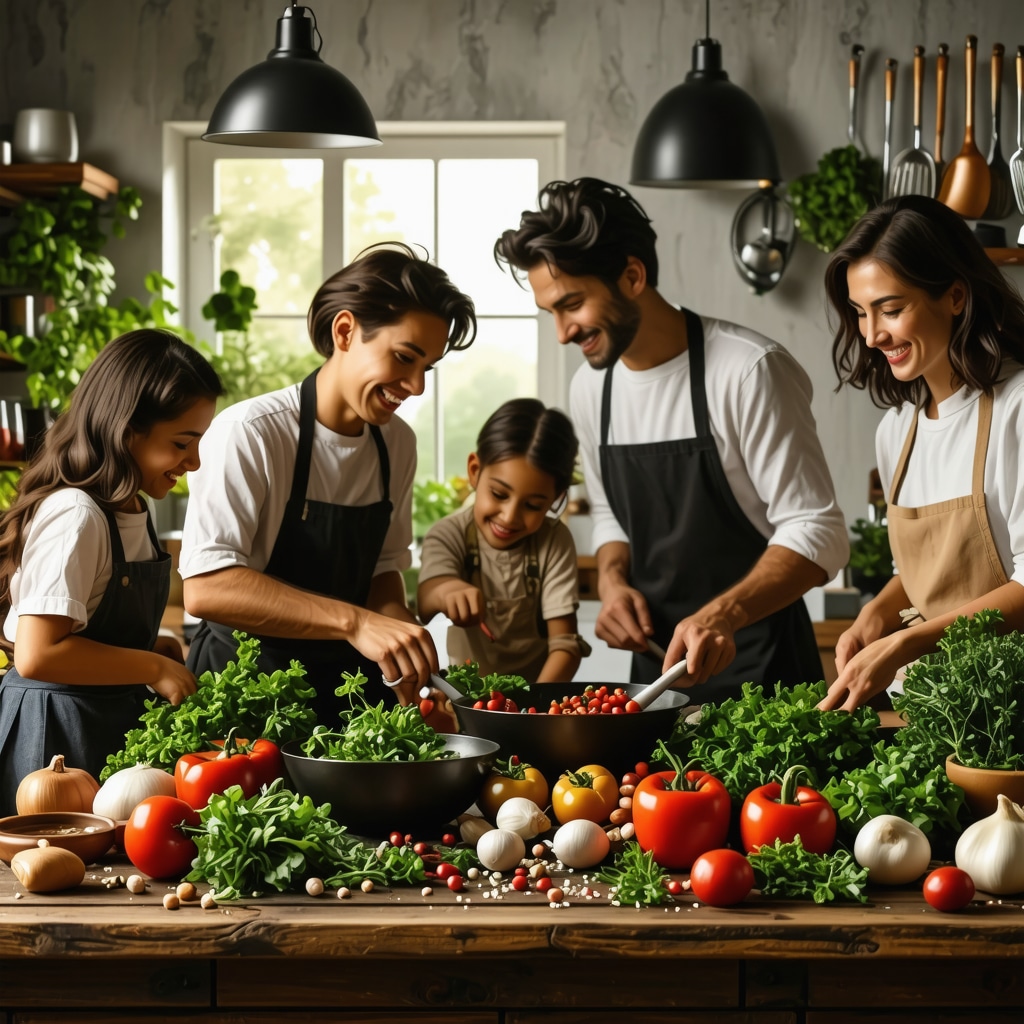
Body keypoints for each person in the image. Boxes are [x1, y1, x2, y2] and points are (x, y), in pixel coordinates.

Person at [494, 178, 848, 703]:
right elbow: (614, 518)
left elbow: (818, 532)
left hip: (765, 680)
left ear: (632, 276)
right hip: (654, 684)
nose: (563, 332)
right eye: (552, 313)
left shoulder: (748, 371)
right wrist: (613, 582)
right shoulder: (593, 387)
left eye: (572, 304)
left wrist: (723, 613)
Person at [180, 243, 477, 723]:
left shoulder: (396, 443)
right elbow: (207, 588)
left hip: (351, 696)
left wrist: (404, 645)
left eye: (427, 368)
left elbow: (383, 571)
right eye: (404, 357)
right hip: (246, 698)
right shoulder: (251, 433)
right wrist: (357, 621)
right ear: (345, 331)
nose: (417, 386)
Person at [0, 329, 223, 813]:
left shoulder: (132, 508)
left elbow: (93, 624)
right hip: (54, 742)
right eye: (183, 442)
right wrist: (150, 665)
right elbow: (38, 655)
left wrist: (147, 648)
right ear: (127, 432)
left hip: (100, 729)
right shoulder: (76, 513)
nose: (196, 460)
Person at [818, 194, 1024, 712]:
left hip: (1010, 718)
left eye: (891, 309)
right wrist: (877, 616)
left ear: (955, 295)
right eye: (860, 313)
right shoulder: (897, 432)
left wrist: (910, 640)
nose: (871, 335)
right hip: (931, 710)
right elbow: (929, 575)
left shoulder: (1017, 409)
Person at [417, 398, 589, 682]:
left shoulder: (554, 541)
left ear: (555, 499)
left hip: (536, 698)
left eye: (533, 505)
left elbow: (565, 645)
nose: (509, 517)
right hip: (466, 700)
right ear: (474, 471)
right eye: (498, 494)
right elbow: (425, 602)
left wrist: (533, 712)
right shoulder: (449, 533)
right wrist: (447, 590)